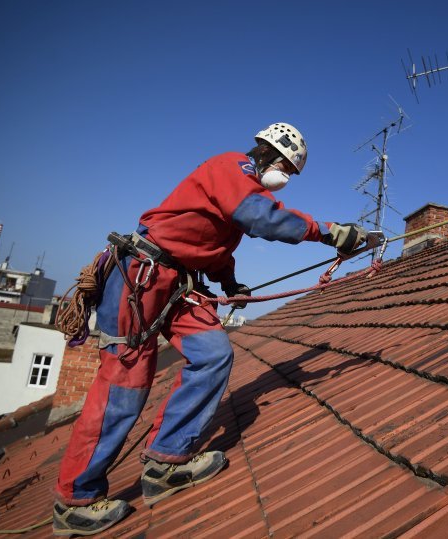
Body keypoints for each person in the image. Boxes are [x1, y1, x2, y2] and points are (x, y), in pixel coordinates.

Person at [52, 123, 373, 536]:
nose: (287, 180)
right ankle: (76, 499)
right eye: (287, 170)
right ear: (269, 156)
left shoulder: (240, 191)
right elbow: (262, 218)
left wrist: (231, 284)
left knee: (213, 353)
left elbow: (215, 246)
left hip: (174, 282)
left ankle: (166, 461)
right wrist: (329, 233)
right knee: (125, 382)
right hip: (142, 275)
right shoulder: (233, 168)